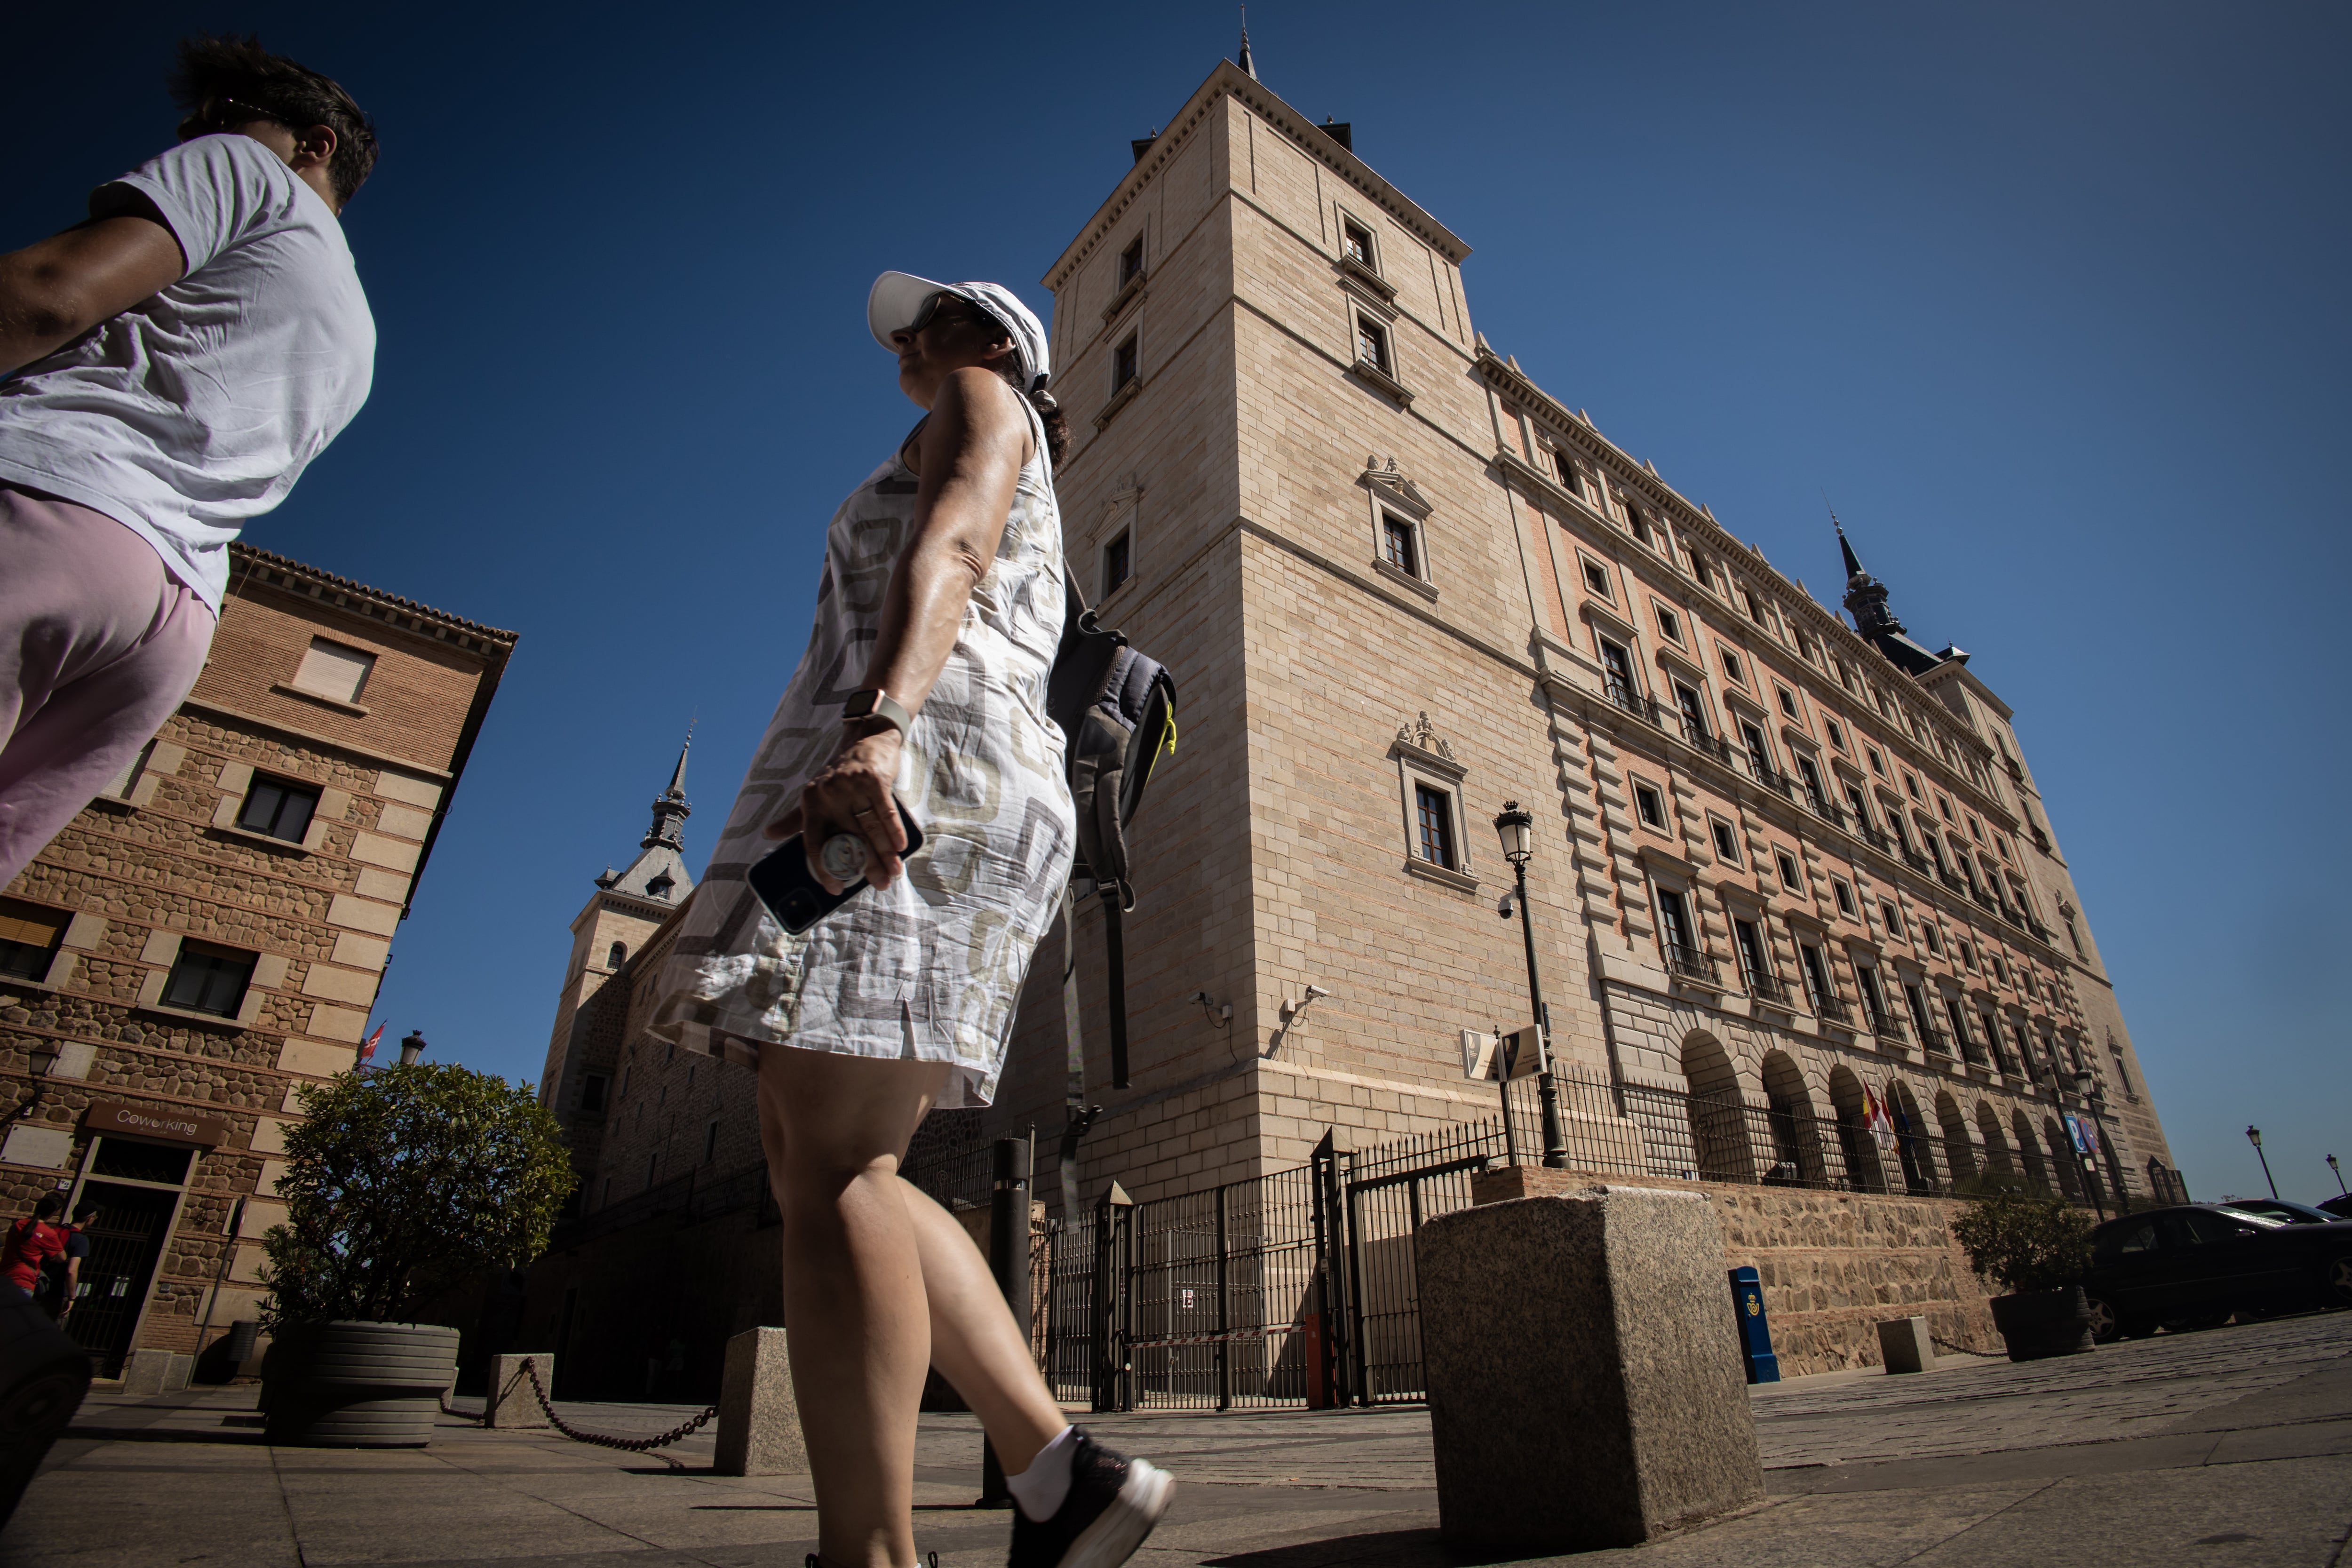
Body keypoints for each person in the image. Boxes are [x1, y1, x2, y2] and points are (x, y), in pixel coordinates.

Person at [645, 275, 1171, 1568]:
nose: (905, 338)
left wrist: (877, 729)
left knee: (830, 1165)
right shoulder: (973, 403)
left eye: (930, 316)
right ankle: (1060, 1473)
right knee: (825, 1153)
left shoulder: (985, 399)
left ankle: (871, 1552)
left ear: (995, 341)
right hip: (941, 750)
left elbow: (955, 545)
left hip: (924, 749)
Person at [0, 36, 379, 886]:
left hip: (51, 498)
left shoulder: (251, 179)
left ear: (313, 143)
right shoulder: (357, 329)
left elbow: (49, 293)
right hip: (171, 617)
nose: (188, 140)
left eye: (218, 120)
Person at [0, 1194, 69, 1308]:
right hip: (24, 1282)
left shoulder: (17, 1225)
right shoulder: (48, 1233)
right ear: (54, 1212)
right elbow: (62, 1258)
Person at [39, 1200, 98, 1322]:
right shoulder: (81, 1240)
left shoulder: (57, 1231)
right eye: (95, 1217)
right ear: (90, 1218)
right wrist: (72, 1297)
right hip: (58, 1293)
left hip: (40, 1286)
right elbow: (72, 1271)